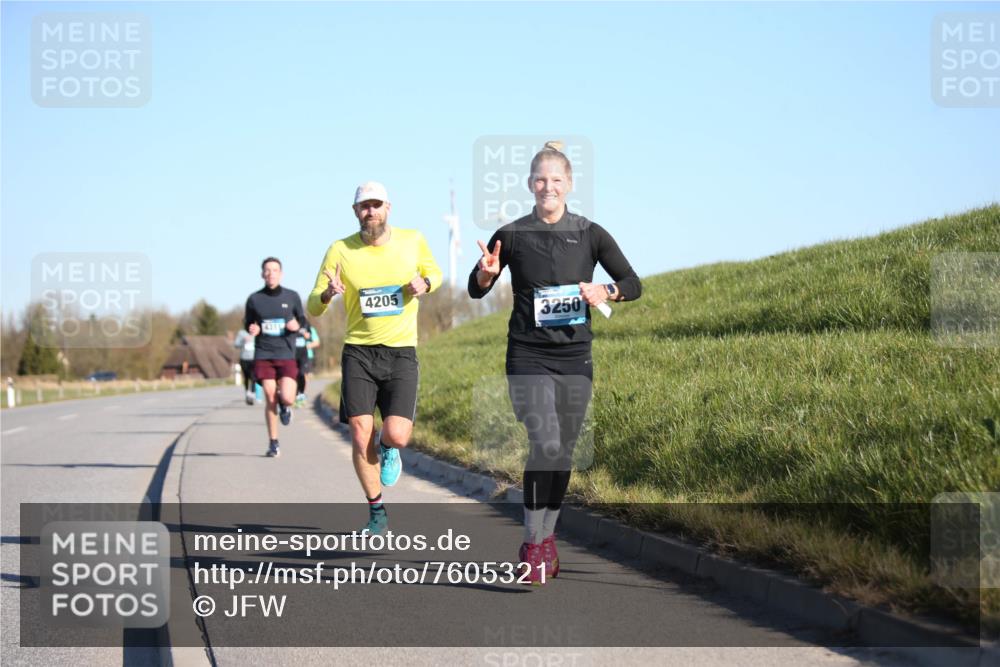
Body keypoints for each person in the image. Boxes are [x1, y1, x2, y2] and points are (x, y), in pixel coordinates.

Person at [468, 141, 642, 584]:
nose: (548, 186)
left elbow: (632, 282)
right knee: (544, 442)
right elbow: (476, 287)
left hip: (575, 355)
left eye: (556, 180)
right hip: (527, 353)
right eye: (541, 180)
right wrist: (486, 273)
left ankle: (548, 540)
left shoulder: (590, 233)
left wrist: (607, 291)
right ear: (530, 184)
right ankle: (530, 541)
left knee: (562, 451)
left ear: (569, 184)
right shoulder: (511, 234)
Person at [308, 181, 442, 535]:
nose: (371, 211)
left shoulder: (413, 240)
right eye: (364, 206)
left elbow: (436, 274)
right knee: (358, 432)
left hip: (400, 352)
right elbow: (312, 305)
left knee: (397, 435)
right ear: (355, 212)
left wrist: (425, 285)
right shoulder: (340, 250)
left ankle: (388, 447)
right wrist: (326, 294)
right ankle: (376, 511)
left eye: (376, 204)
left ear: (388, 208)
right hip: (359, 352)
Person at [244, 257, 306, 458]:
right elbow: (248, 322)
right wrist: (252, 328)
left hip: (286, 353)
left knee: (287, 397)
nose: (271, 273)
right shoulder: (255, 299)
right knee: (270, 397)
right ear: (262, 274)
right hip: (264, 353)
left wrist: (297, 326)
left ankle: (285, 407)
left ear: (281, 273)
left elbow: (303, 320)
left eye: (275, 270)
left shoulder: (292, 296)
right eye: (267, 270)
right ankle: (273, 442)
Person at [293, 317, 317, 407]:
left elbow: (313, 339)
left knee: (303, 374)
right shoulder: (289, 321)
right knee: (294, 375)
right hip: (292, 354)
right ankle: (295, 395)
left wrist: (308, 337)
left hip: (304, 354)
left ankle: (302, 394)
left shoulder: (305, 323)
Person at [233, 327, 256, 404]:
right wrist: (243, 341)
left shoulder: (256, 331)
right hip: (244, 358)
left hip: (254, 358)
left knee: (253, 377)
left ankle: (252, 394)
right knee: (246, 377)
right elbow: (236, 344)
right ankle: (247, 392)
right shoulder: (241, 333)